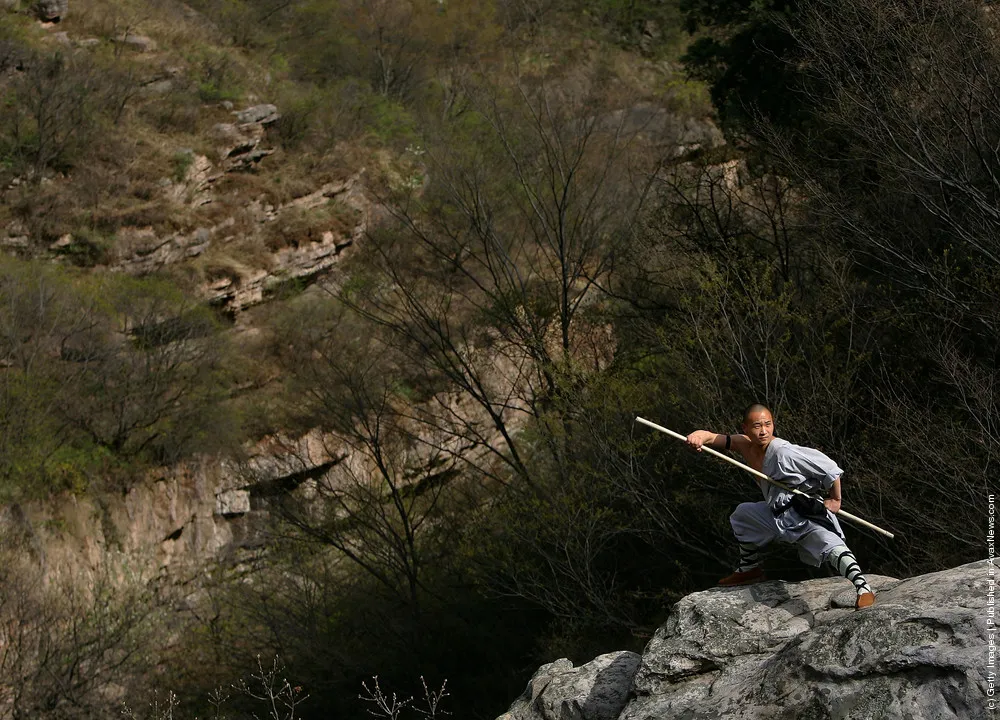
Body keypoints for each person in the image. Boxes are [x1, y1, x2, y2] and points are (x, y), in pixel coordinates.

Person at [686, 403, 876, 609]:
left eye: (768, 424)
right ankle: (750, 569)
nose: (763, 431)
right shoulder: (743, 444)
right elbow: (713, 437)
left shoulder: (783, 452)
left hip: (802, 512)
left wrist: (835, 499)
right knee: (743, 514)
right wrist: (698, 436)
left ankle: (863, 587)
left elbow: (829, 468)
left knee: (829, 544)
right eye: (757, 426)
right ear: (745, 428)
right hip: (775, 513)